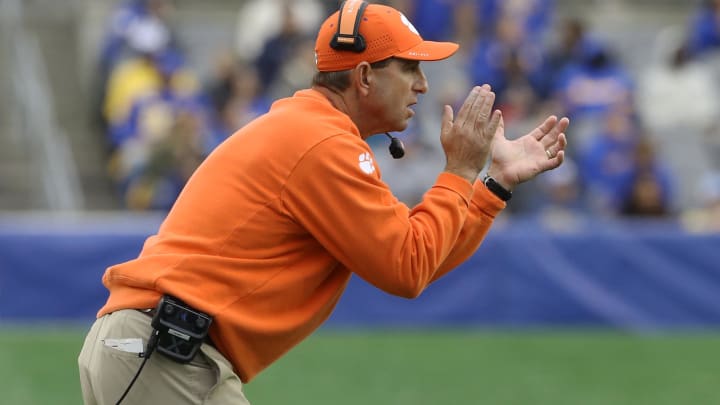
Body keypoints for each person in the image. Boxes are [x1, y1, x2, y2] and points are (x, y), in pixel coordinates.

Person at [78, 2, 569, 404]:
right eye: (409, 67)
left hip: (165, 354)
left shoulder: (319, 134)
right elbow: (407, 269)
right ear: (363, 77)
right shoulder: (323, 144)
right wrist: (461, 170)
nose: (422, 84)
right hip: (162, 352)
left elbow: (417, 250)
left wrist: (493, 185)